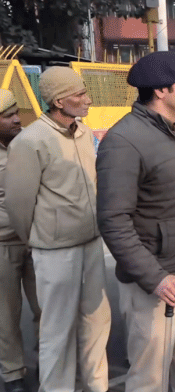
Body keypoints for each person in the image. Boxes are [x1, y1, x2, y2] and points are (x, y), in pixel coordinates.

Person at [97, 51, 175, 392]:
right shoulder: (124, 141)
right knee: (149, 377)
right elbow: (114, 221)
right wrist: (155, 278)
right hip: (158, 282)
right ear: (161, 91)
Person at [5, 67, 111, 392]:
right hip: (55, 252)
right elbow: (19, 205)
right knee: (57, 331)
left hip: (92, 243)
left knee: (97, 323)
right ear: (59, 101)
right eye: (79, 95)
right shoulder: (31, 141)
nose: (87, 100)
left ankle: (98, 386)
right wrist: (38, 239)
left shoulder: (83, 131)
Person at [0, 90, 40, 392]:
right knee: (6, 314)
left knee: (48, 308)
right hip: (3, 245)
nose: (16, 119)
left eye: (16, 112)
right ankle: (13, 373)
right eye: (7, 116)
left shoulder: (28, 142)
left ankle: (48, 360)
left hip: (37, 239)